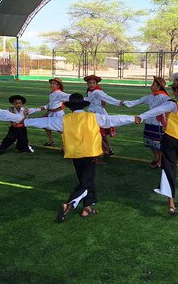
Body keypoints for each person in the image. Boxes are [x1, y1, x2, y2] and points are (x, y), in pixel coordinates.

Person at [25, 93, 136, 222]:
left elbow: (45, 122)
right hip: (90, 153)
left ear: (70, 107)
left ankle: (87, 208)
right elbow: (114, 119)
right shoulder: (93, 117)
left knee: (85, 179)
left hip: (74, 154)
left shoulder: (64, 119)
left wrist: (25, 121)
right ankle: (69, 204)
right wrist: (133, 118)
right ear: (83, 106)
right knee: (87, 182)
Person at [136, 81, 178, 215]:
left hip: (170, 140)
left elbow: (157, 110)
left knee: (169, 169)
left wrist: (141, 117)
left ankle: (171, 204)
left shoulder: (175, 105)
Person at [123, 76, 170, 169]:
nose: (151, 86)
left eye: (153, 84)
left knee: (159, 142)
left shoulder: (165, 97)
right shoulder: (151, 96)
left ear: (159, 86)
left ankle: (160, 160)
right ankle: (157, 158)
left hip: (159, 123)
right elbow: (138, 101)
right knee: (150, 141)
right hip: (150, 121)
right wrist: (124, 103)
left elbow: (170, 107)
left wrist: (164, 117)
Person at [83, 74, 123, 159]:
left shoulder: (97, 91)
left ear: (96, 83)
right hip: (94, 113)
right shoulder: (91, 91)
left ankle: (106, 149)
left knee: (95, 134)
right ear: (87, 84)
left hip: (97, 114)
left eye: (93, 83)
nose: (91, 84)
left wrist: (118, 102)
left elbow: (107, 98)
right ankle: (109, 148)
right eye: (90, 83)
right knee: (101, 134)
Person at [37, 77, 70, 146]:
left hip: (58, 114)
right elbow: (50, 103)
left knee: (60, 130)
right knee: (45, 125)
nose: (52, 85)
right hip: (51, 113)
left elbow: (68, 98)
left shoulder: (59, 93)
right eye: (51, 83)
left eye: (54, 84)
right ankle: (51, 141)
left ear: (58, 86)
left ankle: (66, 145)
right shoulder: (52, 93)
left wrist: (59, 108)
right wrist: (45, 107)